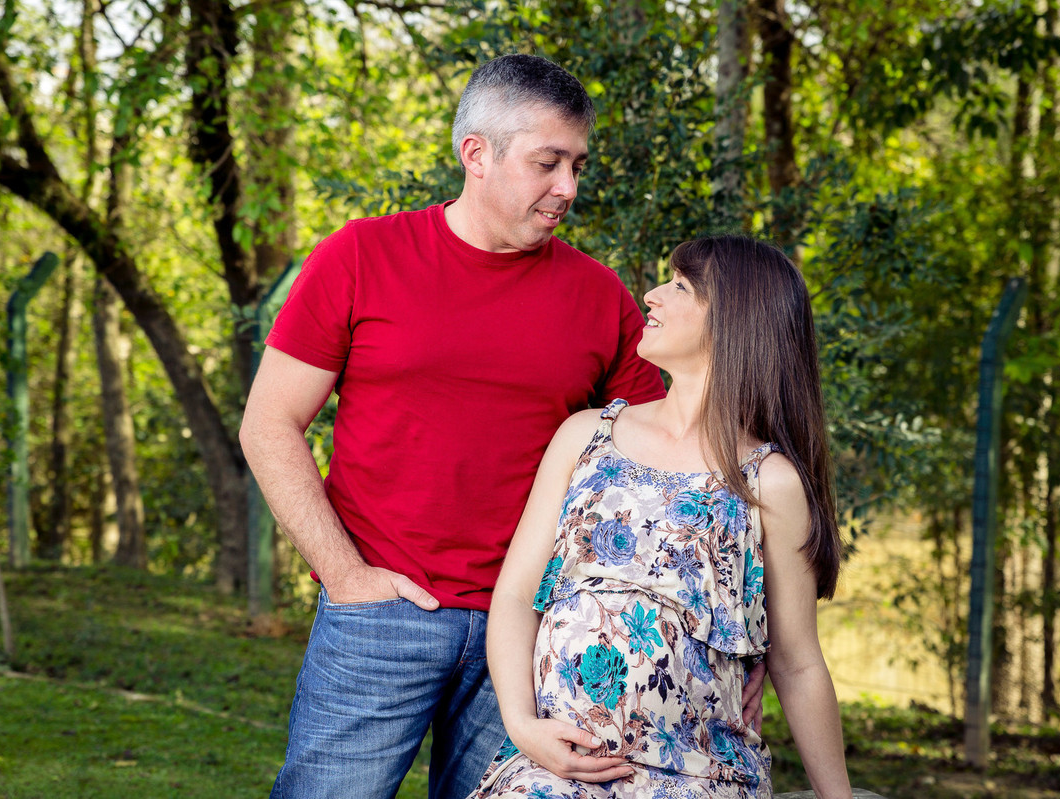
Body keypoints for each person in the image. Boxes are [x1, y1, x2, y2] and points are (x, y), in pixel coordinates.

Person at [239, 55, 765, 799]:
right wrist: (347, 574)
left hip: (531, 630)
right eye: (548, 162)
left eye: (578, 164)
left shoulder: (600, 298)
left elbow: (682, 457)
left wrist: (752, 630)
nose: (569, 188)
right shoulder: (360, 256)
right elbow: (268, 424)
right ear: (476, 155)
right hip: (382, 614)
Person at [468, 234, 851, 799]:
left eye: (679, 286)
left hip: (698, 772)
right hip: (556, 764)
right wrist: (523, 727)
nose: (651, 295)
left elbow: (798, 664)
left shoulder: (768, 481)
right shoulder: (585, 437)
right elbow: (516, 595)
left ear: (734, 322)